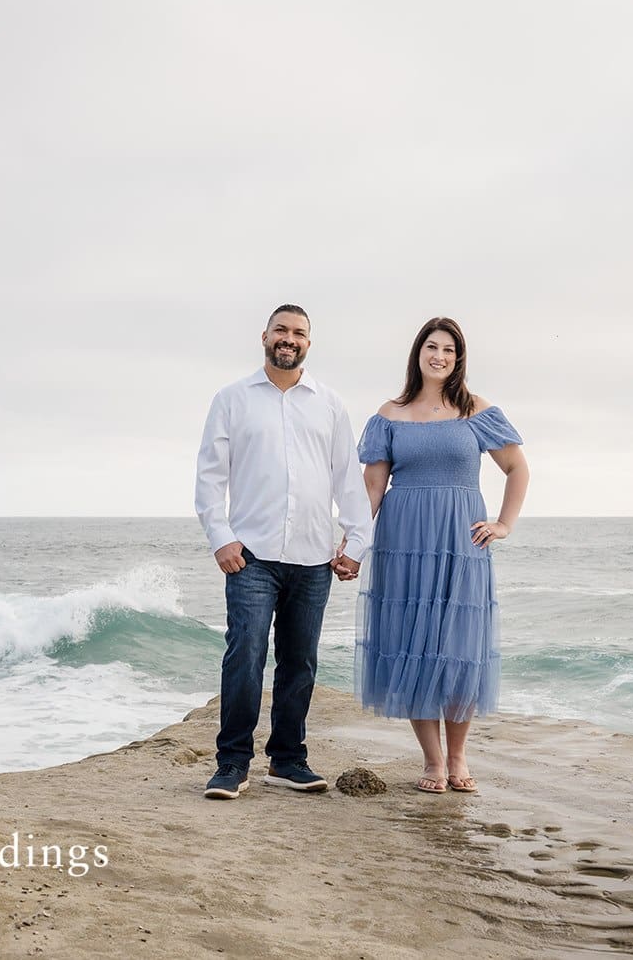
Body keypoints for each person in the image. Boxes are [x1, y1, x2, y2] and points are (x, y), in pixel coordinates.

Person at [195, 304, 372, 800]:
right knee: (245, 656)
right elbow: (210, 476)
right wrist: (221, 537)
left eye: (298, 333)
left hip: (314, 557)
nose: (288, 339)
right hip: (251, 555)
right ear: (265, 337)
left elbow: (347, 480)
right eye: (281, 330)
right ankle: (232, 763)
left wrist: (357, 542)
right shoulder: (232, 399)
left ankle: (288, 760)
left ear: (308, 344)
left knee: (300, 663)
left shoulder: (330, 404)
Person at [355, 317, 529, 794]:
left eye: (449, 350)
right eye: (432, 346)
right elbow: (373, 487)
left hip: (461, 541)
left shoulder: (476, 410)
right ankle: (433, 762)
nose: (440, 356)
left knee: (459, 649)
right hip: (404, 541)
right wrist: (353, 543)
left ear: (459, 357)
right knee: (414, 646)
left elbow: (516, 468)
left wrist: (503, 524)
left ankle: (458, 756)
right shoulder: (389, 414)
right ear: (417, 352)